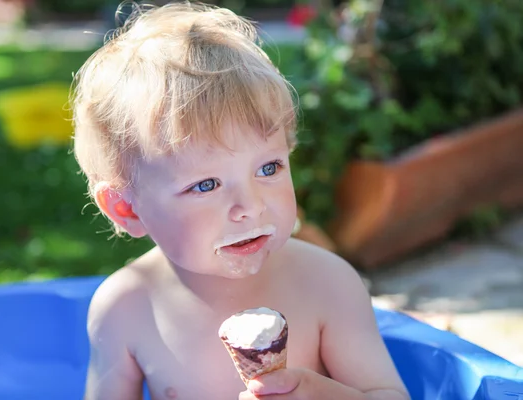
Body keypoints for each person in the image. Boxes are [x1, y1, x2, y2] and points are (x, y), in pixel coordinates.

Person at [71, 2, 409, 399]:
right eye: (206, 185)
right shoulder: (126, 309)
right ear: (126, 208)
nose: (249, 205)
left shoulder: (328, 284)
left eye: (268, 168)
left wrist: (323, 394)